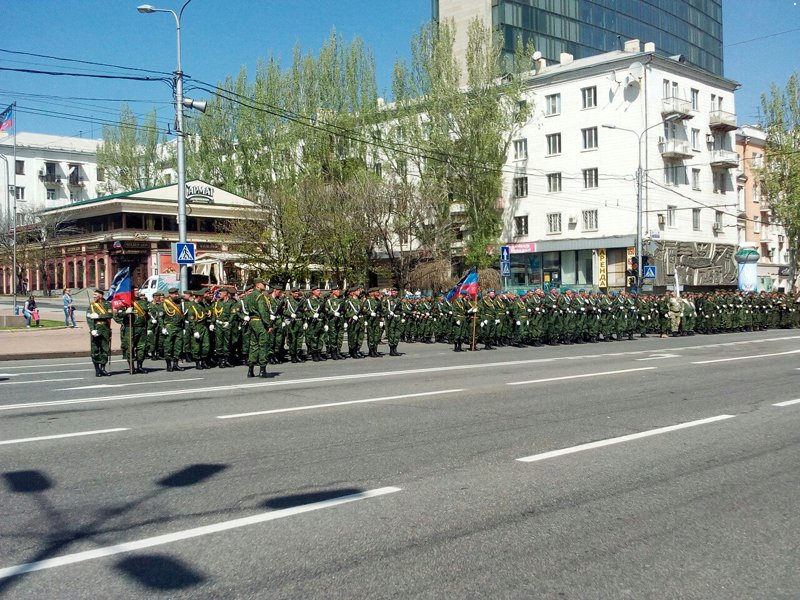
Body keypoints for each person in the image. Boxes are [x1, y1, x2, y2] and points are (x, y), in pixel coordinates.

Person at [86, 289, 113, 377]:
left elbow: (110, 315)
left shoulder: (107, 304)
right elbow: (89, 318)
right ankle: (97, 370)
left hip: (105, 328)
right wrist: (92, 329)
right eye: (93, 295)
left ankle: (103, 368)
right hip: (96, 328)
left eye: (95, 294)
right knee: (95, 349)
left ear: (101, 295)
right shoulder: (92, 305)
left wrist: (99, 316)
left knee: (105, 349)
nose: (94, 296)